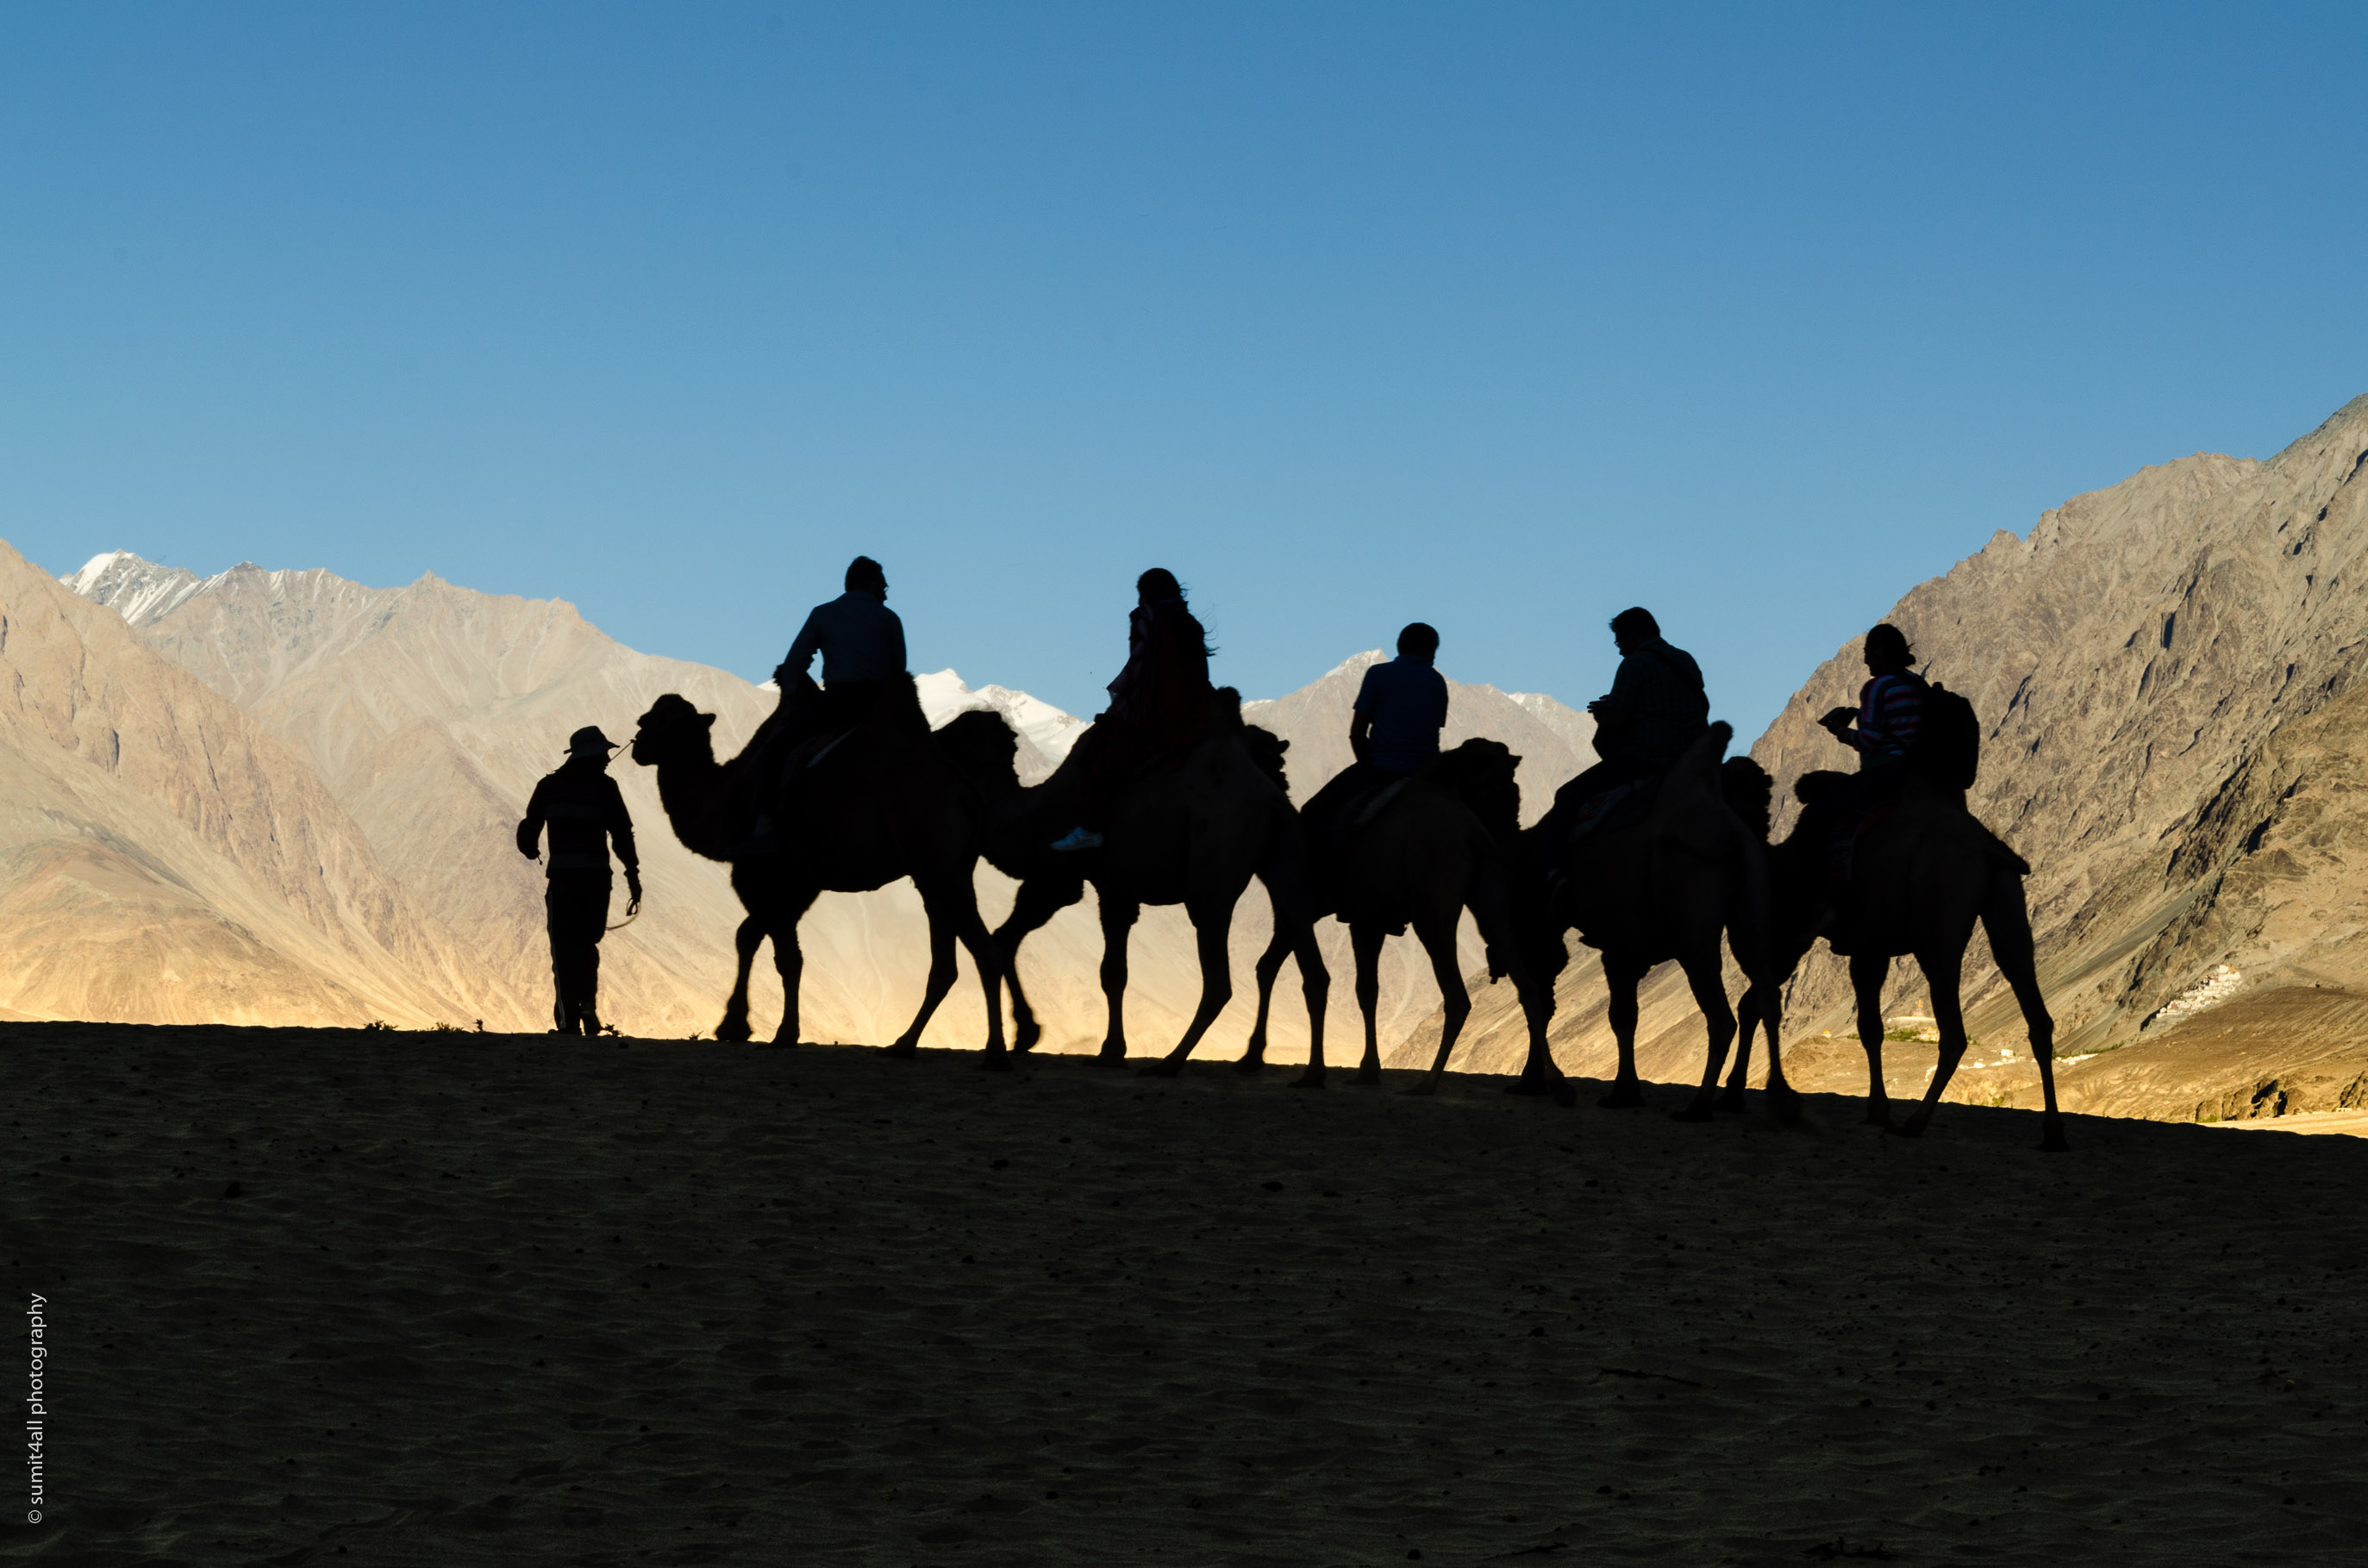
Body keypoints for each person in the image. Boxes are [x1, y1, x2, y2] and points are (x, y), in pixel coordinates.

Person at [738, 555, 907, 858]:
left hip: (839, 704)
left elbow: (795, 663)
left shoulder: (824, 614)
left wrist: (794, 692)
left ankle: (764, 828)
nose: (886, 588)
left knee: (778, 749)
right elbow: (899, 670)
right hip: (883, 708)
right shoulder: (889, 619)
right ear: (866, 582)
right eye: (881, 581)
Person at [1050, 568, 1214, 852]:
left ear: (1146, 595)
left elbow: (1139, 667)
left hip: (1161, 712)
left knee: (1101, 750)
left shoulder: (1146, 619)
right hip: (1198, 709)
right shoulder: (1190, 623)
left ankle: (1090, 828)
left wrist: (1121, 703)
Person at [517, 725, 642, 1037]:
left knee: (563, 950)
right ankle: (587, 1004)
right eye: (603, 754)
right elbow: (623, 836)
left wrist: (531, 848)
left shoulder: (549, 786)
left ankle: (569, 1022)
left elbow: (528, 829)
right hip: (598, 879)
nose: (607, 759)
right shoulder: (606, 788)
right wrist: (633, 875)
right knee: (587, 945)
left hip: (562, 880)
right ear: (593, 755)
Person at [1300, 622, 1450, 832]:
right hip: (1426, 771)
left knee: (1311, 812)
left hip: (1382, 767)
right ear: (1428, 649)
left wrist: (1367, 765)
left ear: (1401, 646)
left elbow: (1357, 734)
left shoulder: (1378, 674)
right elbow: (1433, 729)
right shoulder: (1437, 681)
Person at [1557, 606, 1709, 809]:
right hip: (1694, 755)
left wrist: (1603, 713)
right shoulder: (1685, 660)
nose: (1619, 650)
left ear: (1634, 636)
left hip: (1650, 759)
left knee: (1567, 796)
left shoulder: (1635, 664)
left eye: (1620, 641)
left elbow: (1616, 722)